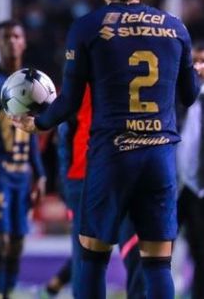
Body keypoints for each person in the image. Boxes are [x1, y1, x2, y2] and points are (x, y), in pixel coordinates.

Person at [13, 0, 199, 298]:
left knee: (92, 259)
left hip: (112, 156)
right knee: (157, 263)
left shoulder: (87, 28)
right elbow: (189, 96)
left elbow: (68, 102)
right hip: (160, 158)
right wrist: (192, 72)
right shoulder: (175, 28)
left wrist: (37, 124)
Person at [0, 20, 46, 299]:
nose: (11, 42)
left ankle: (7, 292)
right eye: (6, 37)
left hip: (22, 175)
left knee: (16, 242)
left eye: (16, 36)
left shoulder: (33, 82)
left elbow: (32, 132)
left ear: (24, 42)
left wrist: (40, 173)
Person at [46, 84, 143, 298]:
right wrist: (67, 186)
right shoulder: (81, 84)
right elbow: (64, 136)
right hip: (86, 178)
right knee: (88, 257)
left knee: (132, 251)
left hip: (117, 175)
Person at [177, 42, 204, 299]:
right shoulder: (176, 97)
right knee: (155, 247)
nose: (198, 67)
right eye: (194, 61)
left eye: (203, 61)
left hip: (199, 188)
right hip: (174, 185)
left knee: (201, 252)